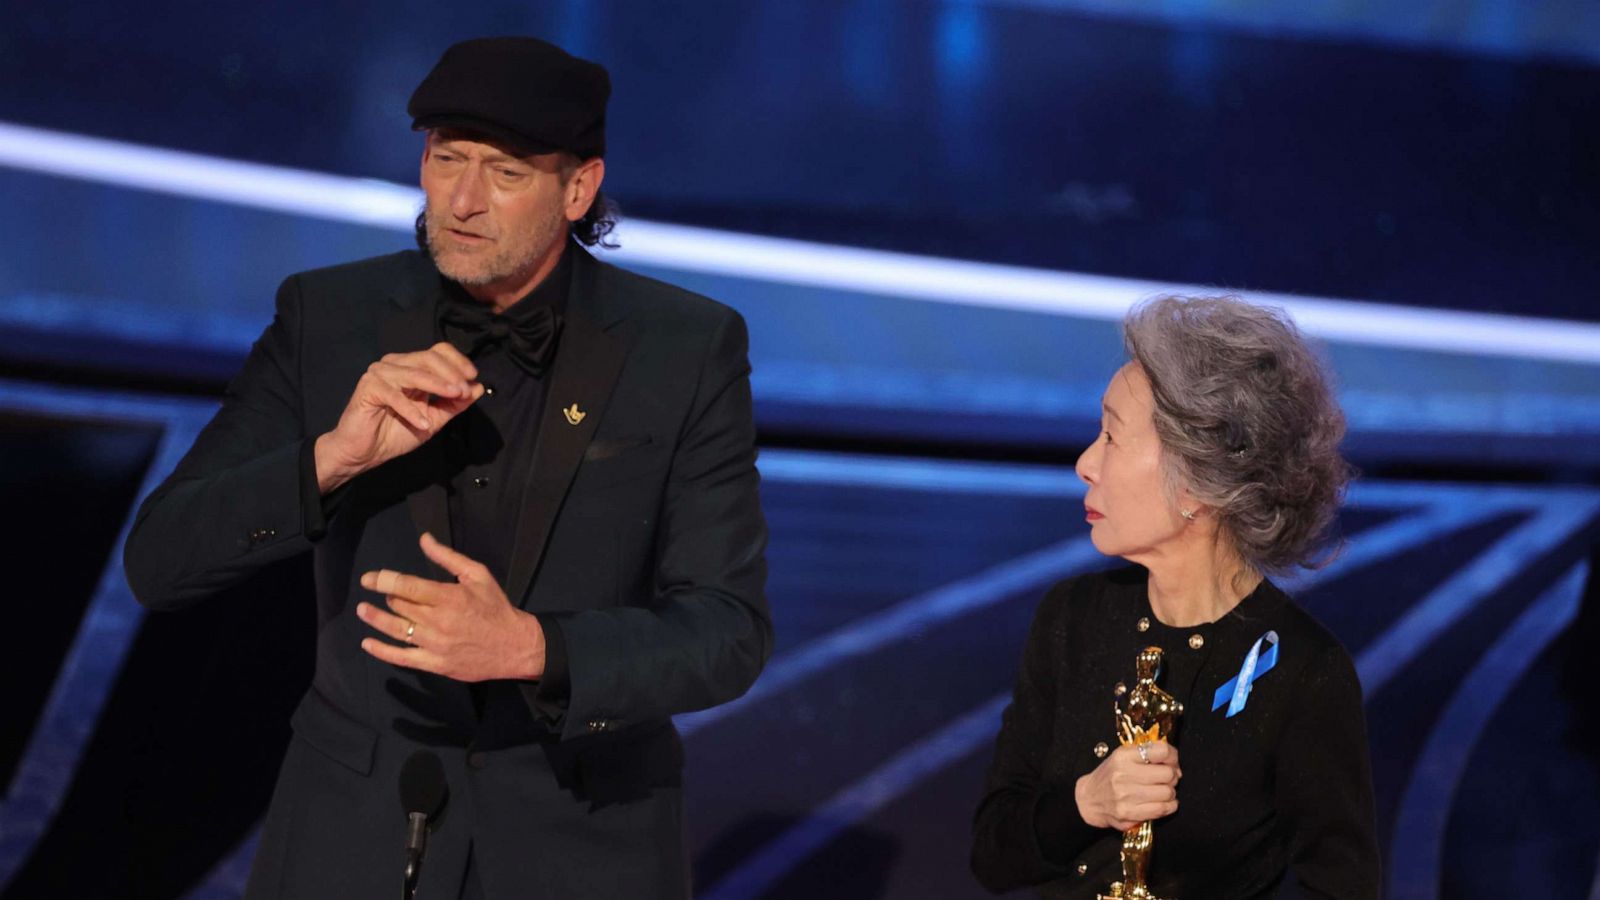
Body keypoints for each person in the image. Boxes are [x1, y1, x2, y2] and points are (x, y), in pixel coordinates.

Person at [124, 37, 770, 900]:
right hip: (350, 835)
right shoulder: (330, 317)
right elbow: (160, 561)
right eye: (445, 160)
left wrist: (534, 648)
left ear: (578, 189)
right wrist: (332, 460)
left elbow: (727, 631)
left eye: (504, 173)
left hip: (581, 841)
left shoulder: (684, 349)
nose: (461, 202)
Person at [970, 295, 1380, 898]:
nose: (1085, 463)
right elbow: (993, 857)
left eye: (1112, 436)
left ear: (1197, 479)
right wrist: (1086, 802)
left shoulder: (1304, 674)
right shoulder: (1074, 618)